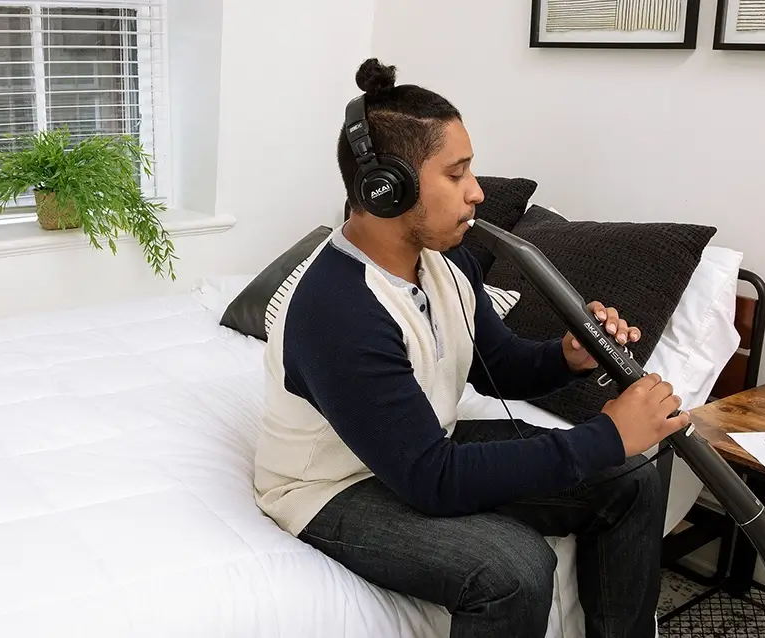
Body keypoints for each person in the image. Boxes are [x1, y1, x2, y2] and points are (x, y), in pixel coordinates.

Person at [253, 58, 690, 638]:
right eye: (456, 174)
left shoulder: (446, 262)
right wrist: (605, 434)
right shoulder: (337, 309)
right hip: (333, 485)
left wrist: (569, 355)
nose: (477, 192)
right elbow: (433, 479)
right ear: (386, 189)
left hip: (418, 446)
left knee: (628, 477)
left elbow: (498, 365)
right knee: (514, 569)